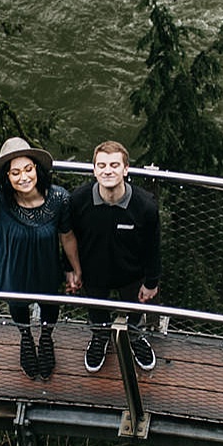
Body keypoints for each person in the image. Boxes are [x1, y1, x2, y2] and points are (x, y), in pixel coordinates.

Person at [0, 137, 79, 379]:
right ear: (7, 177)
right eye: (15, 173)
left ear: (37, 169)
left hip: (45, 265)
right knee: (18, 307)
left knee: (49, 305)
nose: (23, 177)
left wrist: (75, 269)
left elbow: (67, 236)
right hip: (11, 266)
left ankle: (46, 339)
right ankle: (26, 339)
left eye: (28, 169)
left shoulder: (58, 198)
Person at [62, 140, 161, 373]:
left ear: (126, 169)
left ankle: (136, 339)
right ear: (94, 169)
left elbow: (153, 246)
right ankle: (100, 338)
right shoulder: (79, 200)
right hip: (93, 271)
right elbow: (69, 236)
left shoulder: (145, 206)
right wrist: (69, 268)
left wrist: (151, 282)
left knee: (136, 311)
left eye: (115, 165)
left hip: (132, 273)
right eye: (102, 165)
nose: (108, 170)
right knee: (97, 312)